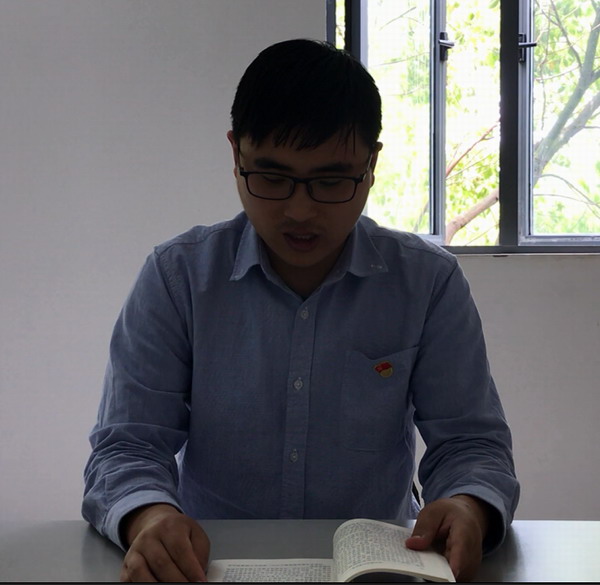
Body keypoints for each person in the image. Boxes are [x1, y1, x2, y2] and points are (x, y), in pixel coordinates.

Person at [82, 38, 519, 582]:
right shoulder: (178, 279)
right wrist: (149, 516)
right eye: (272, 178)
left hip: (377, 569)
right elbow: (127, 445)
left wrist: (468, 505)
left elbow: (471, 443)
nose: (300, 210)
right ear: (235, 155)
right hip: (208, 565)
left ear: (371, 164)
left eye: (331, 181)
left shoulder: (427, 283)